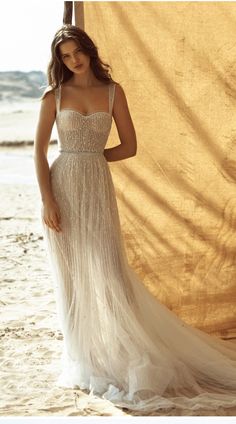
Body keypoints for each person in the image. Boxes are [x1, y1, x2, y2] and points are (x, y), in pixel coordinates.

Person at [34, 24, 236, 413]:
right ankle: (85, 359)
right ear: (60, 61)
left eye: (77, 52)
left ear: (89, 51)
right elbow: (39, 154)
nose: (73, 60)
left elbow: (129, 145)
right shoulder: (53, 96)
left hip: (96, 186)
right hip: (61, 188)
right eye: (65, 56)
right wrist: (48, 200)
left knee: (109, 271)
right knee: (73, 276)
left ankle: (120, 351)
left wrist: (92, 159)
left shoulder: (113, 92)